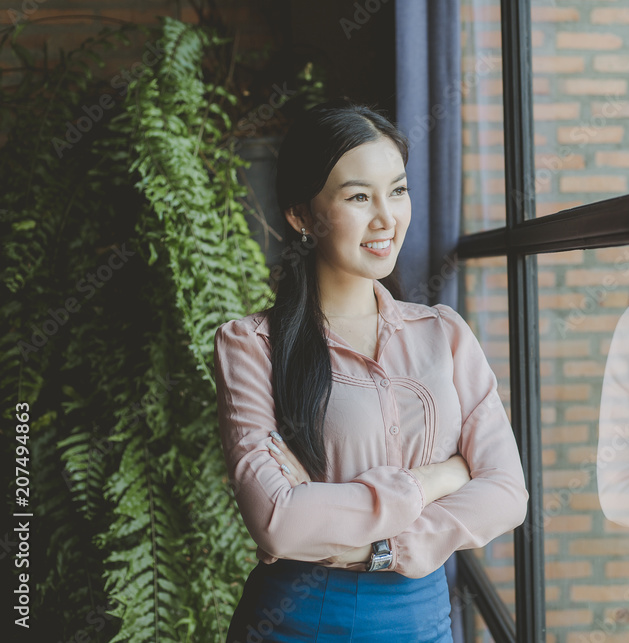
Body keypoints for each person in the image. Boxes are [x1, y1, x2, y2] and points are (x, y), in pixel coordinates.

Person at [213, 100, 528, 643]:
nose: (387, 217)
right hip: (294, 621)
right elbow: (278, 522)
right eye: (360, 196)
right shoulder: (251, 345)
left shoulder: (444, 334)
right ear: (301, 215)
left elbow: (507, 493)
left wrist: (379, 546)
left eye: (398, 190)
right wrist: (438, 478)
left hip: (420, 619)